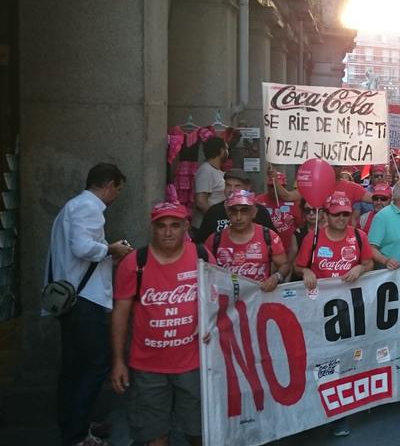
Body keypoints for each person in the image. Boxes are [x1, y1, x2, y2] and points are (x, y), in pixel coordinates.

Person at [47, 163, 133, 446]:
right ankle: (76, 433)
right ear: (108, 184)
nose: (116, 195)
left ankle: (73, 422)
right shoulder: (89, 207)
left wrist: (108, 256)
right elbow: (82, 248)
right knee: (97, 364)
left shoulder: (73, 206)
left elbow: (79, 254)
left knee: (74, 366)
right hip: (84, 300)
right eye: (117, 189)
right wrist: (111, 249)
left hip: (72, 298)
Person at [110, 202, 203, 446]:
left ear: (186, 227)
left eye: (175, 225)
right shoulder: (134, 263)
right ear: (153, 228)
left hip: (193, 364)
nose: (168, 232)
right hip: (147, 366)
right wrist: (118, 361)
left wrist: (209, 325)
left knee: (200, 432)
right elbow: (120, 313)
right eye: (161, 226)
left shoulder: (202, 257)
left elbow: (218, 299)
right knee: (154, 435)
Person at [295, 191, 373, 438]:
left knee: (344, 361)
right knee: (319, 360)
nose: (341, 218)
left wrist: (360, 267)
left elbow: (369, 263)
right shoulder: (313, 238)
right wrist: (305, 272)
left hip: (349, 310)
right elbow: (299, 265)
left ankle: (340, 415)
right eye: (337, 214)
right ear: (326, 216)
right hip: (317, 310)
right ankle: (314, 411)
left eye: (346, 214)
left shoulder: (359, 237)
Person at [203, 190, 289, 291]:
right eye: (234, 211)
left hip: (259, 299)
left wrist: (276, 277)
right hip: (226, 300)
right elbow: (205, 271)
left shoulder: (269, 236)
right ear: (228, 213)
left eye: (244, 211)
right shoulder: (214, 239)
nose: (238, 217)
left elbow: (284, 264)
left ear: (254, 212)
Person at [194, 169, 275, 243]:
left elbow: (273, 240)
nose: (232, 189)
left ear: (248, 188)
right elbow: (201, 242)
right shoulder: (214, 211)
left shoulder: (259, 211)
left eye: (237, 186)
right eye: (228, 185)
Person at [255, 171, 298, 260]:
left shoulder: (293, 202)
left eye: (280, 186)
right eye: (271, 186)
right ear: (267, 186)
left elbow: (299, 224)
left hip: (289, 252)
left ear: (285, 186)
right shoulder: (257, 201)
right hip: (266, 251)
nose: (275, 189)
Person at [191, 137, 228, 230]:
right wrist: (215, 218)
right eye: (226, 149)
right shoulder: (206, 170)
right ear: (221, 150)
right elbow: (200, 202)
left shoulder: (215, 171)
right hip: (206, 226)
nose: (228, 152)